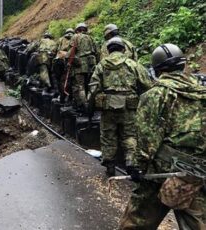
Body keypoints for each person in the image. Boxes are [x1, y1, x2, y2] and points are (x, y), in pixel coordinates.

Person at [119, 43, 206, 229]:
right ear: (183, 65)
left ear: (157, 70)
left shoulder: (156, 95)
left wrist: (138, 167)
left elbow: (147, 139)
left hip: (161, 173)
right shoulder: (201, 93)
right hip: (196, 174)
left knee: (136, 222)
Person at [87, 37, 152, 176]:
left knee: (108, 135)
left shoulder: (101, 65)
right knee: (130, 135)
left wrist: (90, 107)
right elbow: (147, 85)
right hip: (129, 107)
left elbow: (93, 88)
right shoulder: (133, 64)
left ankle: (110, 165)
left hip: (108, 107)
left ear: (108, 50)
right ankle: (130, 162)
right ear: (123, 49)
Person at [68, 23, 99, 111]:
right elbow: (97, 52)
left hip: (79, 65)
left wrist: (68, 62)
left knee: (80, 86)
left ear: (77, 30)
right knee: (90, 85)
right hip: (91, 65)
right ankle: (91, 104)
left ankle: (84, 106)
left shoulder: (75, 37)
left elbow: (71, 51)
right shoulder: (91, 38)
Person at [54, 28, 75, 102]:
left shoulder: (61, 39)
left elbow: (55, 49)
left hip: (59, 60)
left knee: (59, 79)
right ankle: (69, 97)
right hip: (70, 60)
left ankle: (62, 97)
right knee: (69, 79)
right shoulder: (75, 38)